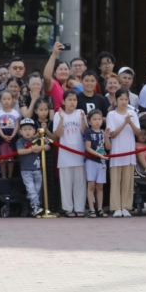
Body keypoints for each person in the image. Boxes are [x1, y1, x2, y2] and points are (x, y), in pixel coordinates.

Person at [48, 89, 87, 217]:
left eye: (74, 100)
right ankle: (68, 208)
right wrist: (62, 119)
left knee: (79, 182)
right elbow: (57, 134)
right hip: (65, 154)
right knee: (66, 183)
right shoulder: (58, 115)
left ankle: (79, 208)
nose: (72, 102)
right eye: (69, 100)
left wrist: (82, 120)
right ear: (63, 101)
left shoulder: (81, 113)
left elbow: (84, 132)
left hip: (79, 152)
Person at [106, 87, 140, 218]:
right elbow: (112, 134)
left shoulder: (133, 114)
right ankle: (116, 207)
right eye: (121, 99)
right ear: (116, 100)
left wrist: (130, 122)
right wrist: (123, 124)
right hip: (117, 151)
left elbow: (138, 132)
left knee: (127, 181)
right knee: (115, 181)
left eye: (126, 99)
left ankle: (126, 206)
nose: (124, 102)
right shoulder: (111, 115)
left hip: (129, 152)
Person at [83, 111, 108, 218]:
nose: (97, 121)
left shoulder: (103, 132)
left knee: (100, 186)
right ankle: (91, 208)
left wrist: (106, 137)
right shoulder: (88, 132)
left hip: (102, 162)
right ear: (89, 121)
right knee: (91, 185)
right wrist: (98, 154)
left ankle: (100, 208)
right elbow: (88, 148)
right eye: (94, 119)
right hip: (91, 161)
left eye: (99, 119)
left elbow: (108, 147)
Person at [0, 88, 21, 179]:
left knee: (11, 157)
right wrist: (3, 136)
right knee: (3, 156)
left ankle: (10, 175)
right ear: (0, 100)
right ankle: (3, 175)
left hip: (12, 134)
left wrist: (13, 135)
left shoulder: (15, 112)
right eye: (4, 99)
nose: (6, 101)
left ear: (13, 100)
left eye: (8, 99)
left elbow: (17, 125)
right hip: (2, 134)